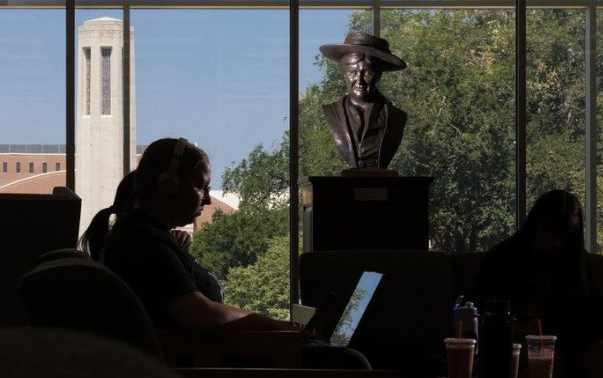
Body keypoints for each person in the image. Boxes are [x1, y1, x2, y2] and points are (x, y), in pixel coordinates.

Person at [80, 138, 296, 334]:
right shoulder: (144, 243)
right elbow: (204, 316)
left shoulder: (147, 238)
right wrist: (266, 323)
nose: (208, 200)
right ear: (168, 185)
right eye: (201, 186)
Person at [474, 189, 603, 378]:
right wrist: (519, 327)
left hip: (575, 342)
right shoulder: (501, 259)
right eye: (550, 232)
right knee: (548, 355)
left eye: (564, 235)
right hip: (522, 339)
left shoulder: (583, 265)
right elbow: (480, 312)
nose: (556, 241)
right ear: (535, 224)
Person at [319, 33, 408, 169]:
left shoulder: (396, 117)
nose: (359, 81)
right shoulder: (331, 112)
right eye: (353, 73)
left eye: (368, 73)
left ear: (378, 75)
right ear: (344, 75)